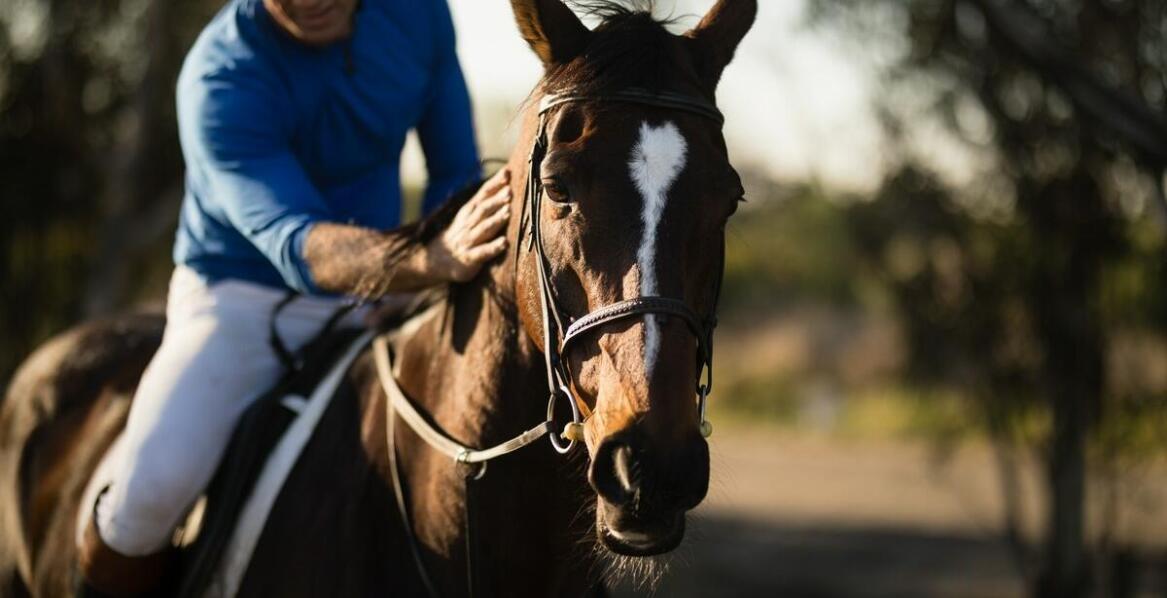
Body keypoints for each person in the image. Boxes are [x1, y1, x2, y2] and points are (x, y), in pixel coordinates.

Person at [75, 0, 511, 595]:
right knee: (147, 498)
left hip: (388, 293)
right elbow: (297, 243)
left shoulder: (420, 15)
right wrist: (429, 261)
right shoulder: (221, 73)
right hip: (240, 301)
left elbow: (456, 174)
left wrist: (456, 249)